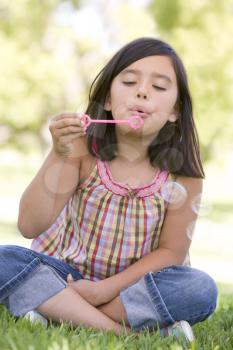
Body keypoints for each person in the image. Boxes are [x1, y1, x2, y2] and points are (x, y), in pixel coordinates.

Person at [0, 37, 217, 341]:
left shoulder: (184, 175)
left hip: (135, 286)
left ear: (175, 112)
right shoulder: (81, 150)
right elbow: (29, 225)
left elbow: (171, 252)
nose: (142, 91)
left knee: (200, 289)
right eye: (129, 81)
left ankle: (59, 312)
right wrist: (58, 154)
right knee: (4, 260)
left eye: (159, 87)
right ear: (107, 100)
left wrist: (103, 289)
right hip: (69, 276)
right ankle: (124, 332)